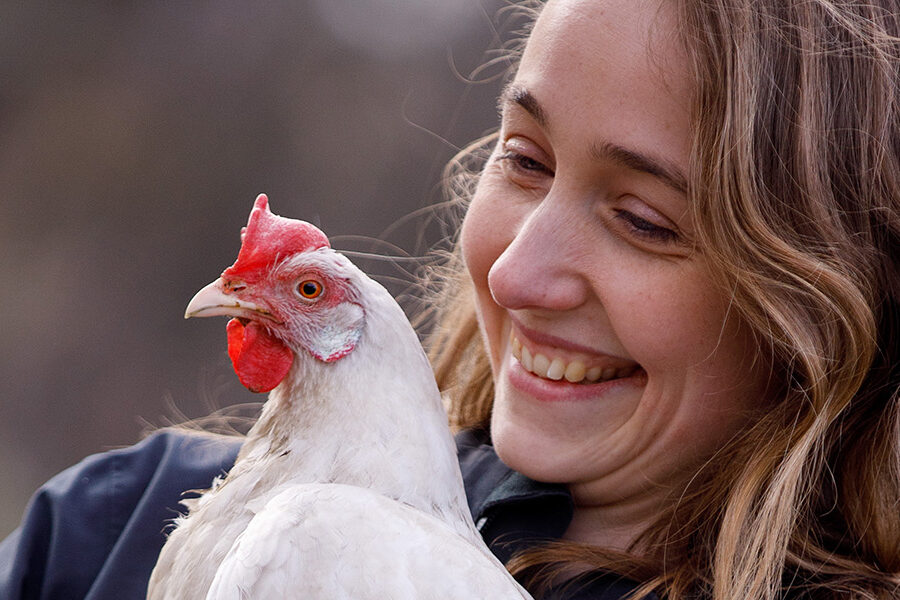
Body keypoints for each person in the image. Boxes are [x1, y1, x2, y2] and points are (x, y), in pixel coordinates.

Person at [2, 0, 899, 598]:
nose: (512, 276)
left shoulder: (306, 536)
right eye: (524, 159)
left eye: (643, 220)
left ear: (816, 306)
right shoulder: (111, 527)